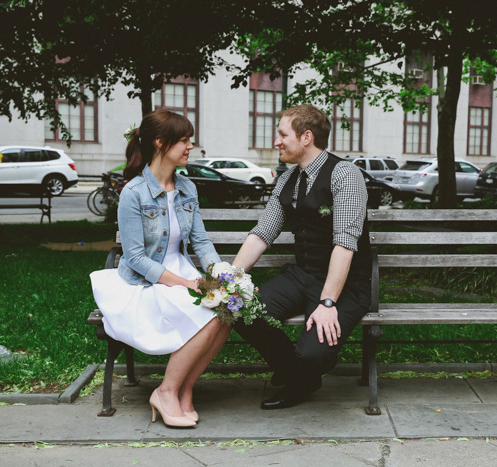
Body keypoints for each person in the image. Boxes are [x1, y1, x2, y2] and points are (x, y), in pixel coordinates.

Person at [90, 110, 231, 428]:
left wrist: (223, 277)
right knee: (208, 315)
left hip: (179, 271)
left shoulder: (187, 189)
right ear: (159, 143)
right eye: (184, 140)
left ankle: (184, 390)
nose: (190, 146)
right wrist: (187, 284)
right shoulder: (133, 193)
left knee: (226, 311)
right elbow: (137, 259)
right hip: (145, 281)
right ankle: (165, 392)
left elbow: (201, 242)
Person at [232, 104, 371, 410]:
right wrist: (231, 281)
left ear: (306, 137)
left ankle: (301, 370)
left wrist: (328, 303)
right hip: (302, 275)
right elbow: (262, 234)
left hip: (346, 285)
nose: (276, 141)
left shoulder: (345, 175)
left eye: (282, 134)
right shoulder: (287, 179)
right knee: (241, 309)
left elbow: (345, 245)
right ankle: (298, 375)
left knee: (313, 354)